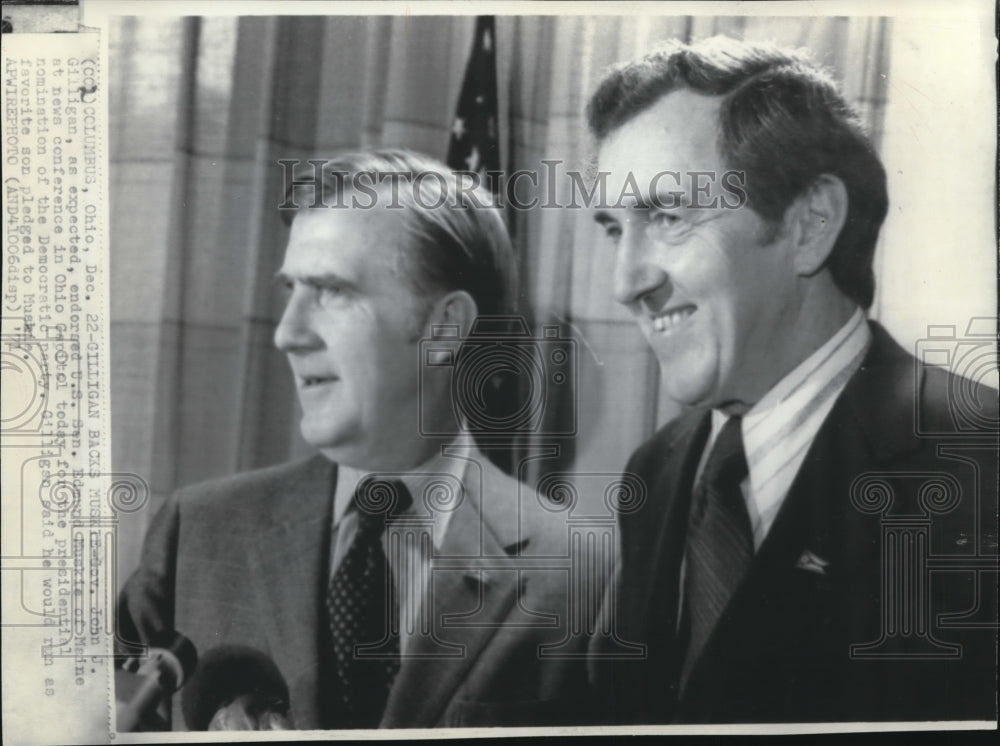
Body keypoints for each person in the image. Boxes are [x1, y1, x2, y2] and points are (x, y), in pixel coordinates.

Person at [584, 37, 998, 723]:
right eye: (611, 229)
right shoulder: (654, 472)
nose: (625, 282)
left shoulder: (981, 466)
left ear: (809, 226)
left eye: (668, 216)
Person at [117, 149, 597, 730]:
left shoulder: (586, 573)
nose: (287, 334)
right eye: (289, 290)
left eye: (332, 292)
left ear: (444, 327)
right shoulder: (194, 532)